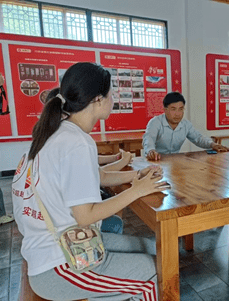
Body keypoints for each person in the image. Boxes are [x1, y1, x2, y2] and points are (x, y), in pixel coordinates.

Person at [12, 62, 169, 300]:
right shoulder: (76, 142)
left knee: (148, 247)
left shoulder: (56, 132)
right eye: (111, 93)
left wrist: (136, 176)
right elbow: (85, 216)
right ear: (98, 99)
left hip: (58, 245)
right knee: (152, 274)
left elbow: (100, 176)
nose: (112, 99)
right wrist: (136, 191)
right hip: (59, 263)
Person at [143, 92, 229, 160]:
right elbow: (148, 139)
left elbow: (198, 138)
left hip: (174, 162)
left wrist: (212, 145)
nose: (177, 114)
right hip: (155, 161)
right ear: (165, 110)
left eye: (181, 109)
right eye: (173, 109)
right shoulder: (155, 122)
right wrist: (151, 151)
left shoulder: (185, 124)